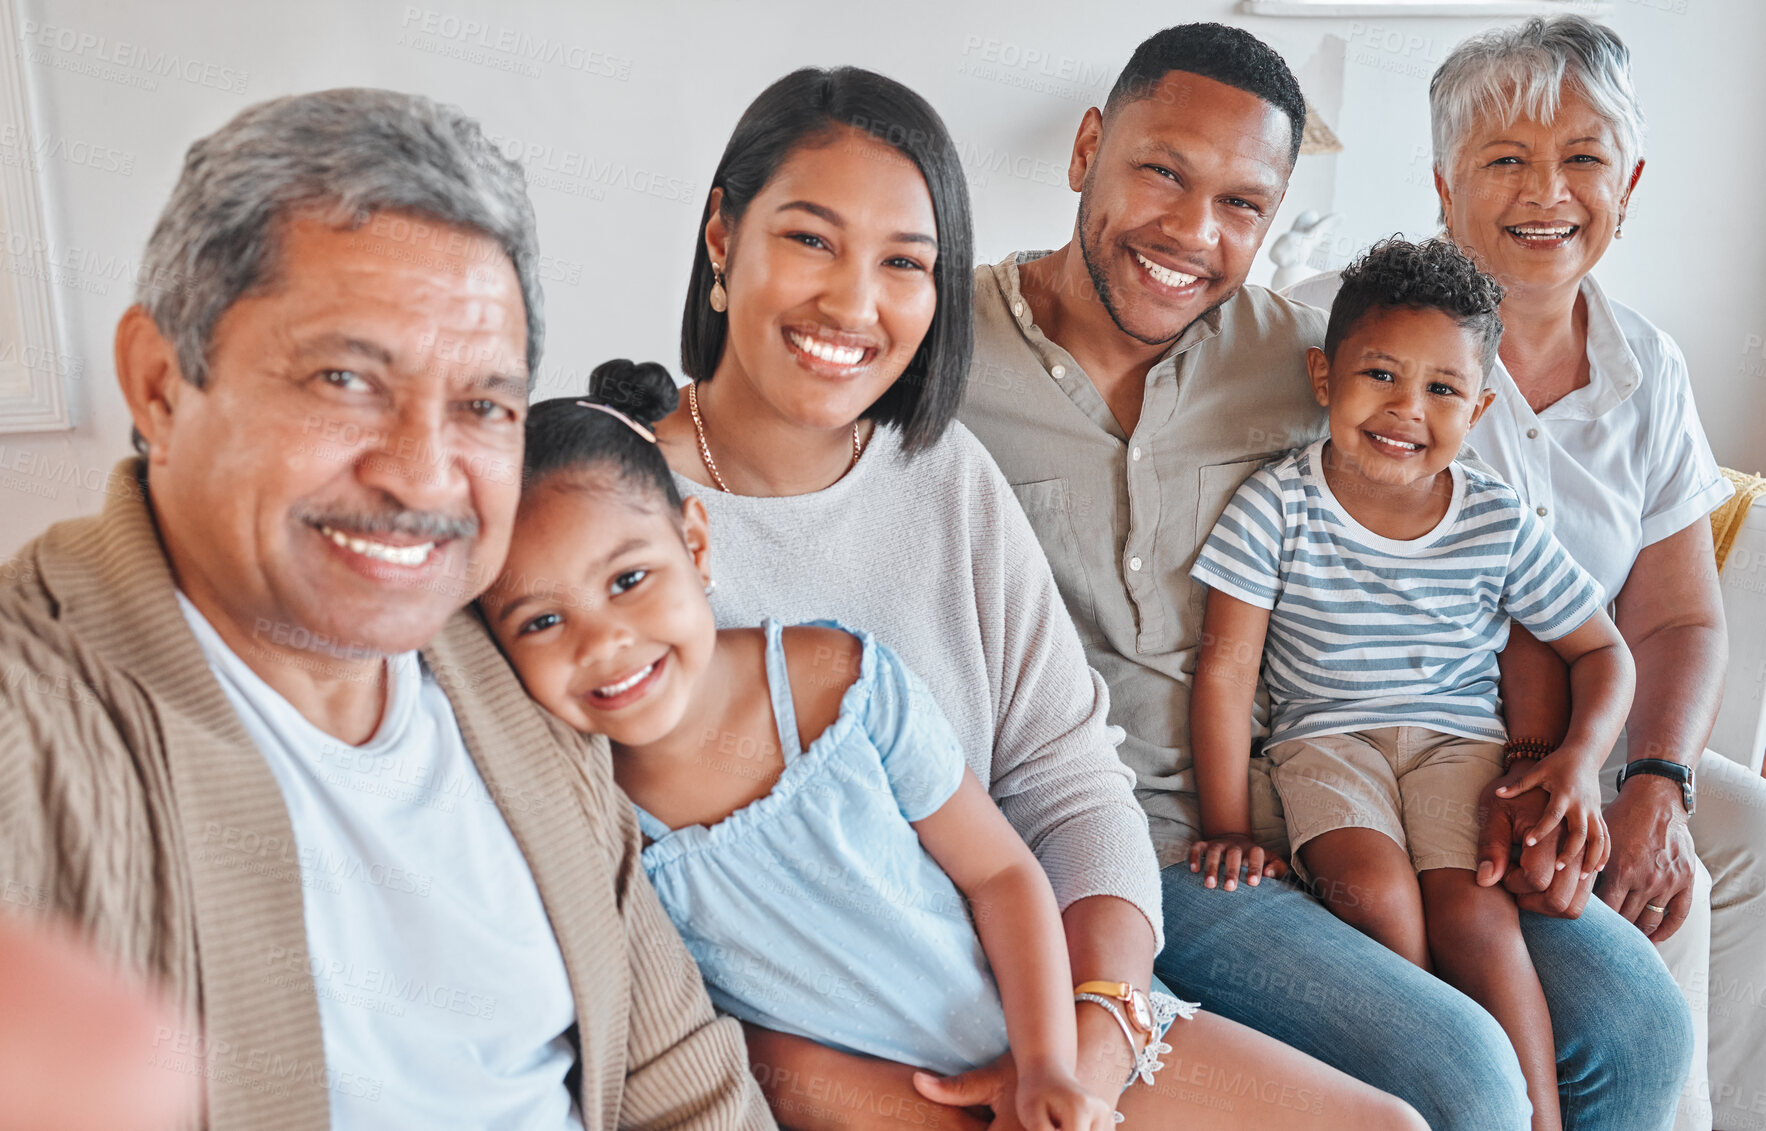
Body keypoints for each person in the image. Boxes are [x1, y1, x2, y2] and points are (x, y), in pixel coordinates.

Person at [648, 64, 1426, 1129]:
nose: (853, 302)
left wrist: (1093, 1040)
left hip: (1031, 1008)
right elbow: (615, 908)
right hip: (823, 1065)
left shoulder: (942, 474)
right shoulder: (609, 517)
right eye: (809, 239)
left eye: (904, 262)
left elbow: (1070, 784)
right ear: (720, 237)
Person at [957, 20, 1692, 1131]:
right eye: (1159, 172)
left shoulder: (1319, 364)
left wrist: (1544, 771)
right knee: (1463, 1075)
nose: (1190, 233)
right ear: (1085, 150)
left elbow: (1486, 552)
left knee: (1636, 1024)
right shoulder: (935, 352)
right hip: (1127, 845)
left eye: (1241, 205)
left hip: (1333, 799)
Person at [0, 89, 768, 1129]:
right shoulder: (33, 724)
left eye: (482, 406)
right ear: (159, 385)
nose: (422, 475)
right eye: (346, 380)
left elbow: (676, 1069)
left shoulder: (519, 660)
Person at [482, 358, 1208, 1131]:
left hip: (1039, 1027)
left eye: (628, 580)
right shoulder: (589, 814)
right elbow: (738, 1046)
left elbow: (1000, 872)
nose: (606, 642)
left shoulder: (836, 678)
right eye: (542, 621)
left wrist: (1047, 1065)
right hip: (873, 1109)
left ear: (695, 546)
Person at [1286, 17, 1766, 1130]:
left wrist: (1655, 782)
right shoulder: (1342, 338)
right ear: (1445, 185)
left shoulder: (1645, 365)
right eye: (1504, 159)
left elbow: (1677, 617)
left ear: (1627, 181)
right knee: (1669, 906)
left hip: (1585, 737)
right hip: (1424, 748)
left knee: (1730, 831)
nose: (1545, 191)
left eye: (1581, 159)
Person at [1191, 237, 1638, 1131]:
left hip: (1459, 751)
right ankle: (1436, 1083)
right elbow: (1225, 672)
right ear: (1325, 377)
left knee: (1477, 918)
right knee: (1379, 895)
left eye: (1441, 390)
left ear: (1478, 406)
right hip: (1326, 746)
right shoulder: (1277, 504)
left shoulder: (1495, 519)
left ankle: (1536, 1119)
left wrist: (1580, 763)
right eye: (1380, 377)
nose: (1407, 410)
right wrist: (1230, 826)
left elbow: (1605, 652)